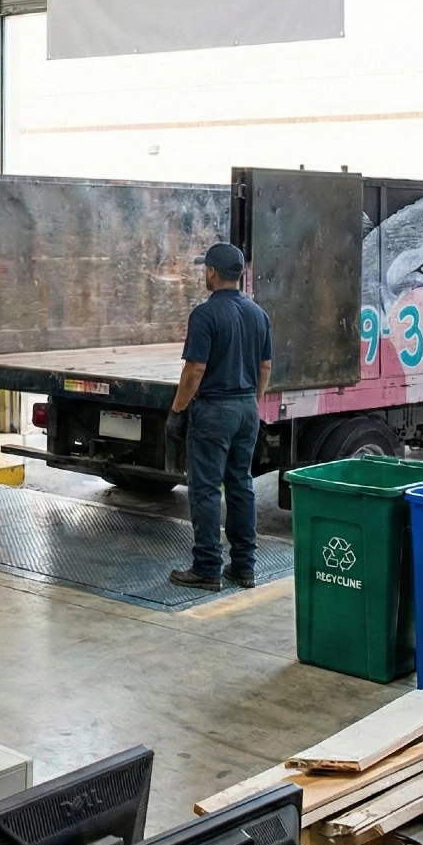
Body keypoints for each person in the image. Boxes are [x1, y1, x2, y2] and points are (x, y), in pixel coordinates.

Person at [167, 243, 272, 592]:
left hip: (214, 409)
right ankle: (244, 567)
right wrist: (252, 402)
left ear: (212, 272)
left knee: (207, 489)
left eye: (205, 269)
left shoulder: (205, 314)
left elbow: (195, 369)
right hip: (246, 409)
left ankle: (207, 568)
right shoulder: (258, 314)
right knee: (241, 485)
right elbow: (265, 366)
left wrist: (177, 410)